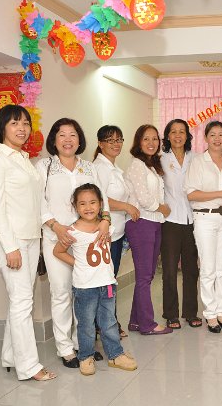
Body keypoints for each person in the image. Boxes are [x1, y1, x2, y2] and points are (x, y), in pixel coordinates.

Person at [0, 105, 56, 381]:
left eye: (25, 123)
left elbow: (35, 202)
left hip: (31, 237)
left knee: (20, 300)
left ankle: (11, 356)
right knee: (23, 301)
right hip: (11, 240)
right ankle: (29, 366)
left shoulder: (24, 159)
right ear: (2, 127)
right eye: (14, 123)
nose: (22, 128)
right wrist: (10, 247)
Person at [36, 118, 110, 368]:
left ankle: (83, 345)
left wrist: (105, 221)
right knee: (61, 293)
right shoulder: (44, 166)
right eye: (62, 135)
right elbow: (38, 202)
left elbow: (102, 199)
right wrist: (56, 226)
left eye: (73, 135)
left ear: (80, 140)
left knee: (85, 293)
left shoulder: (88, 167)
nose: (68, 140)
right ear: (54, 139)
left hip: (87, 241)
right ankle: (65, 348)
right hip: (56, 239)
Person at [53, 184, 137, 376]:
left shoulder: (105, 227)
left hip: (107, 284)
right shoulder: (72, 231)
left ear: (100, 204)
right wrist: (78, 263)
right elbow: (57, 251)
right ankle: (86, 357)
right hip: (85, 287)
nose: (88, 207)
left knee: (109, 322)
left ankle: (115, 355)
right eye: (82, 204)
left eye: (92, 202)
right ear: (75, 206)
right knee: (86, 325)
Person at [184, 121, 222, 333]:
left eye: (221, 134)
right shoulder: (198, 162)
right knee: (208, 268)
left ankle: (221, 312)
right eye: (212, 135)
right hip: (205, 218)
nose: (217, 139)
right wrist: (221, 193)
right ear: (205, 138)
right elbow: (191, 194)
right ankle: (210, 314)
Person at [124, 124, 172, 336]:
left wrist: (161, 211)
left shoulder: (151, 165)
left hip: (154, 222)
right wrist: (163, 208)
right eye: (146, 139)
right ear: (138, 142)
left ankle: (136, 321)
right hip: (141, 223)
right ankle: (147, 324)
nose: (151, 143)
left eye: (155, 139)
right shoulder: (137, 165)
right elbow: (144, 199)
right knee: (144, 276)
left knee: (148, 274)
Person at [93, 125, 140, 338]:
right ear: (100, 143)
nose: (116, 144)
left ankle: (107, 322)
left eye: (119, 139)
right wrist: (126, 206)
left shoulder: (114, 167)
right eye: (110, 140)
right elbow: (99, 199)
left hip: (118, 233)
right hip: (106, 234)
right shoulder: (100, 168)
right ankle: (107, 324)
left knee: (110, 280)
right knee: (106, 282)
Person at [160, 119, 201, 330]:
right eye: (173, 132)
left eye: (182, 132)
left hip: (193, 220)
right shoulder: (161, 159)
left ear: (187, 136)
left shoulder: (196, 158)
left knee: (191, 269)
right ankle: (171, 314)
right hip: (170, 221)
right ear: (168, 136)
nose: (178, 136)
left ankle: (191, 312)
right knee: (169, 269)